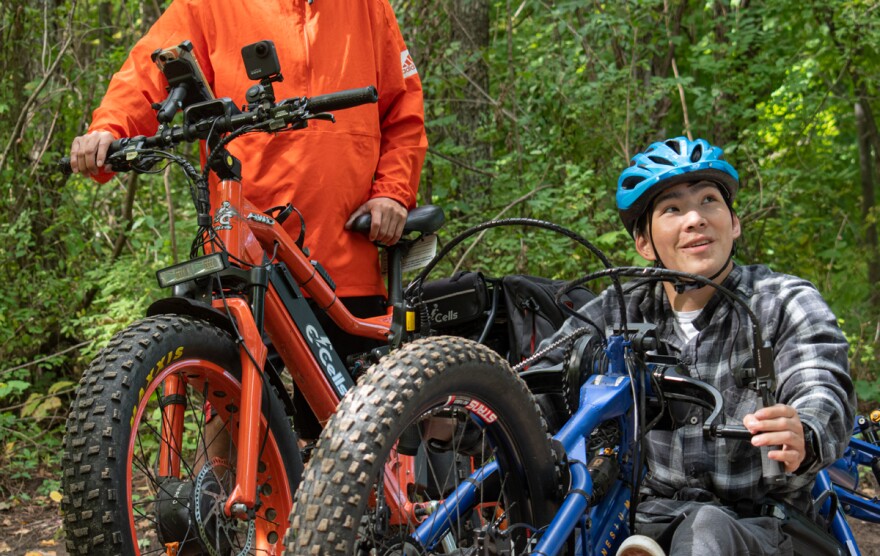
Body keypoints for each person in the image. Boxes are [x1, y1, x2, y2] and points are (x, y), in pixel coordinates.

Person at [68, 0, 428, 439]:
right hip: (246, 255)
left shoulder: (367, 8)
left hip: (346, 257)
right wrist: (110, 128)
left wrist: (392, 193)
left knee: (358, 439)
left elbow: (403, 109)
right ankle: (214, 507)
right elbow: (152, 68)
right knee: (232, 423)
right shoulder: (209, 5)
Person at [537, 137, 855, 556]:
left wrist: (805, 430)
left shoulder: (782, 300)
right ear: (644, 243)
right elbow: (539, 381)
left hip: (765, 526)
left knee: (705, 530)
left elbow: (822, 383)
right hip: (643, 520)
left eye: (709, 201)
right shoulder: (615, 309)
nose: (695, 219)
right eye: (672, 209)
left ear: (734, 222)